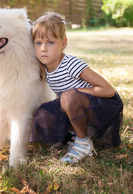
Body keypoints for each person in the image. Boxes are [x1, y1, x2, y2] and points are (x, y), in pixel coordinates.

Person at [30, 12, 124, 163]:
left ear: (63, 43)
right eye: (38, 43)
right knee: (44, 111)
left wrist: (74, 92)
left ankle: (83, 143)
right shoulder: (43, 67)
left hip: (102, 106)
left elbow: (108, 90)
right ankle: (78, 132)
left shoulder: (71, 64)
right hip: (75, 104)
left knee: (68, 97)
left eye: (50, 42)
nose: (43, 49)